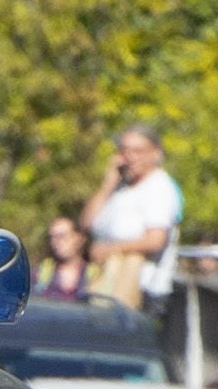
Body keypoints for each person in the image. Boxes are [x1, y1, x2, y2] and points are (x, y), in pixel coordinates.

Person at [80, 124, 183, 311]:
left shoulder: (158, 187)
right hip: (107, 284)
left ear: (155, 153)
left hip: (141, 290)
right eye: (125, 150)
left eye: (138, 151)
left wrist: (110, 250)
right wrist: (108, 183)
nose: (130, 157)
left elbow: (155, 240)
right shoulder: (122, 188)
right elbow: (86, 223)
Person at [42, 211, 95, 302]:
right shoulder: (41, 273)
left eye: (62, 236)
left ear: (79, 238)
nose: (56, 242)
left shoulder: (95, 274)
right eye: (52, 237)